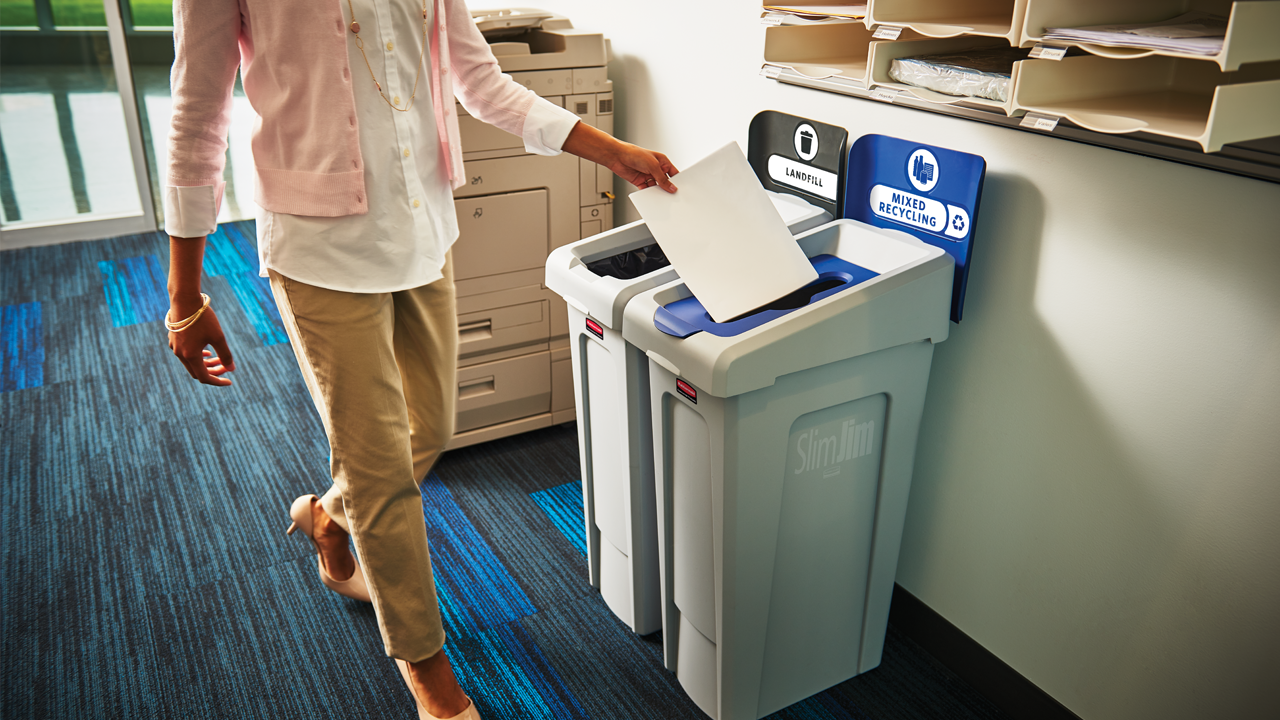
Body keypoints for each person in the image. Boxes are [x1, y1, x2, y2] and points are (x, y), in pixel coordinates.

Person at [161, 2, 677, 718]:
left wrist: (609, 150)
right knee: (382, 477)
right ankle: (429, 675)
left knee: (427, 433)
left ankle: (328, 517)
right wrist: (184, 294)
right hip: (318, 248)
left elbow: (481, 82)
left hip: (419, 231)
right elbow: (197, 116)